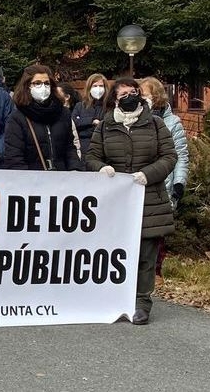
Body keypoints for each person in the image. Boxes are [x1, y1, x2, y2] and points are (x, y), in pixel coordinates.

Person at [85, 77, 177, 325]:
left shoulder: (155, 124)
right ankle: (113, 297)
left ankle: (141, 302)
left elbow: (169, 156)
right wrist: (101, 168)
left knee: (146, 254)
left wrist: (148, 174)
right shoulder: (105, 126)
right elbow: (92, 155)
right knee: (116, 252)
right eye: (123, 94)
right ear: (114, 99)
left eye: (133, 92)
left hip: (149, 199)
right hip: (116, 202)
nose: (130, 97)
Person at [138, 76, 189, 285]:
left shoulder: (172, 122)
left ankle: (155, 271)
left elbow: (180, 156)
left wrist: (179, 184)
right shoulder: (135, 119)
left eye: (144, 94)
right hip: (138, 181)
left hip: (162, 184)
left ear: (156, 96)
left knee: (156, 231)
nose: (141, 98)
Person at [3, 65, 82, 171]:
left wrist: (75, 169)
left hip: (62, 179)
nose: (43, 87)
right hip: (32, 181)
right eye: (37, 83)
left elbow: (70, 148)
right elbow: (14, 157)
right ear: (27, 86)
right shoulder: (18, 117)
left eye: (46, 83)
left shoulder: (63, 113)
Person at [73, 73, 110, 159]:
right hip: (84, 147)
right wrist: (91, 121)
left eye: (101, 86)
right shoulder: (80, 106)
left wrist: (83, 123)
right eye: (95, 86)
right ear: (89, 88)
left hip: (104, 146)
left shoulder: (109, 106)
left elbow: (107, 123)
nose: (98, 89)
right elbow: (74, 122)